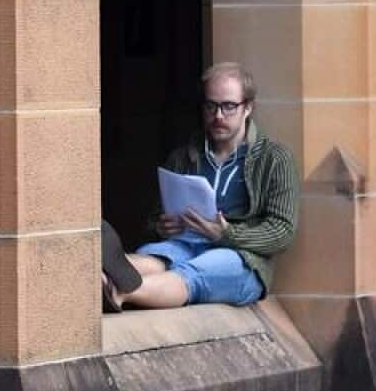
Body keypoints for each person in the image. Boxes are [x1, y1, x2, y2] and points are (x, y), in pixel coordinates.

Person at [102, 62, 300, 310]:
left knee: (197, 271)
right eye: (211, 106)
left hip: (241, 259)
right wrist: (162, 226)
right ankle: (100, 275)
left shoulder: (274, 158)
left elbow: (282, 231)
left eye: (228, 106)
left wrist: (227, 234)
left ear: (247, 107)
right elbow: (154, 219)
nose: (218, 116)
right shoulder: (182, 157)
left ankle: (121, 291)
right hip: (184, 244)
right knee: (155, 255)